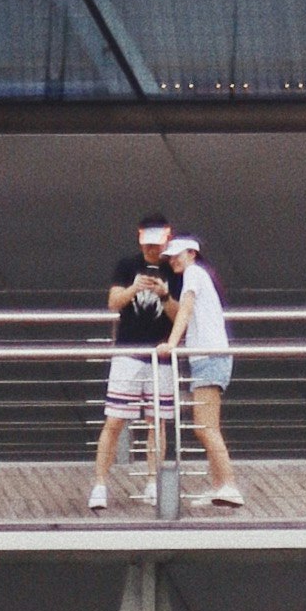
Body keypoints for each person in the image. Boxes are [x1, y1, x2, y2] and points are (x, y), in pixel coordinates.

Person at [90, 213, 178, 508]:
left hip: (161, 354)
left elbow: (181, 317)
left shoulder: (175, 269)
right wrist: (134, 288)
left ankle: (154, 481)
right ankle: (100, 484)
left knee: (158, 422)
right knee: (114, 420)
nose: (152, 250)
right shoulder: (127, 266)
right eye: (148, 244)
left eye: (157, 244)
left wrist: (165, 295)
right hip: (128, 350)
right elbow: (113, 302)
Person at [164, 233, 242, 509]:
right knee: (208, 427)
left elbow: (184, 309)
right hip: (207, 357)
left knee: (206, 427)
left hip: (209, 357)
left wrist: (171, 343)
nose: (173, 259)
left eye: (178, 254)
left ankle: (229, 485)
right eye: (170, 255)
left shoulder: (194, 274)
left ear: (192, 254)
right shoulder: (201, 274)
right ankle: (220, 486)